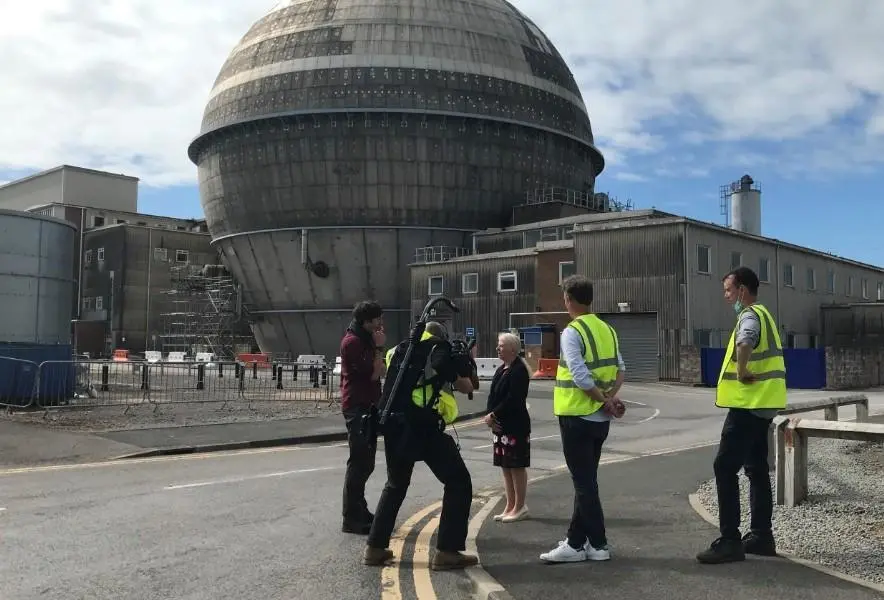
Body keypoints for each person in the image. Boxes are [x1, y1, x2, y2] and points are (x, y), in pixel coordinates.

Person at [363, 321, 479, 571]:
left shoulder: (402, 348)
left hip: (392, 423)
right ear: (440, 335)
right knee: (458, 481)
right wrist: (462, 365)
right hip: (421, 424)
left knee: (395, 484)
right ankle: (448, 551)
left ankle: (374, 548)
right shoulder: (438, 348)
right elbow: (463, 384)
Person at [697, 266, 787, 564]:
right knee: (756, 468)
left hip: (748, 406)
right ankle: (762, 536)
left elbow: (745, 340)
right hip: (763, 406)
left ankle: (730, 541)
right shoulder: (766, 315)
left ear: (743, 291)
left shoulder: (749, 315)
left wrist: (742, 368)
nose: (727, 297)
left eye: (728, 290)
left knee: (724, 466)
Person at [540, 275, 626, 564]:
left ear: (568, 300)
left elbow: (579, 376)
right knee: (586, 481)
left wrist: (603, 400)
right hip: (600, 420)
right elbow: (621, 370)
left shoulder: (572, 331)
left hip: (576, 415)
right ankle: (576, 543)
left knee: (584, 483)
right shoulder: (607, 330)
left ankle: (599, 544)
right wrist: (610, 400)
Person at [339, 301, 386, 535]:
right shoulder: (353, 343)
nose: (380, 323)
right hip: (357, 407)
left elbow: (381, 371)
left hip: (368, 405)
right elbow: (376, 372)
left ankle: (360, 509)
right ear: (366, 321)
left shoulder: (364, 339)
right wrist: (379, 349)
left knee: (366, 462)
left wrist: (378, 353)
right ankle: (351, 518)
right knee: (358, 463)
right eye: (377, 319)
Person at [485, 332, 531, 523]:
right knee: (505, 465)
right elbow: (493, 396)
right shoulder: (501, 369)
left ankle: (520, 506)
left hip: (515, 425)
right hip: (501, 427)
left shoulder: (519, 370)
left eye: (501, 345)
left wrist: (494, 415)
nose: (498, 348)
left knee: (516, 465)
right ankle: (510, 505)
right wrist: (489, 416)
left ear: (513, 348)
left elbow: (514, 399)